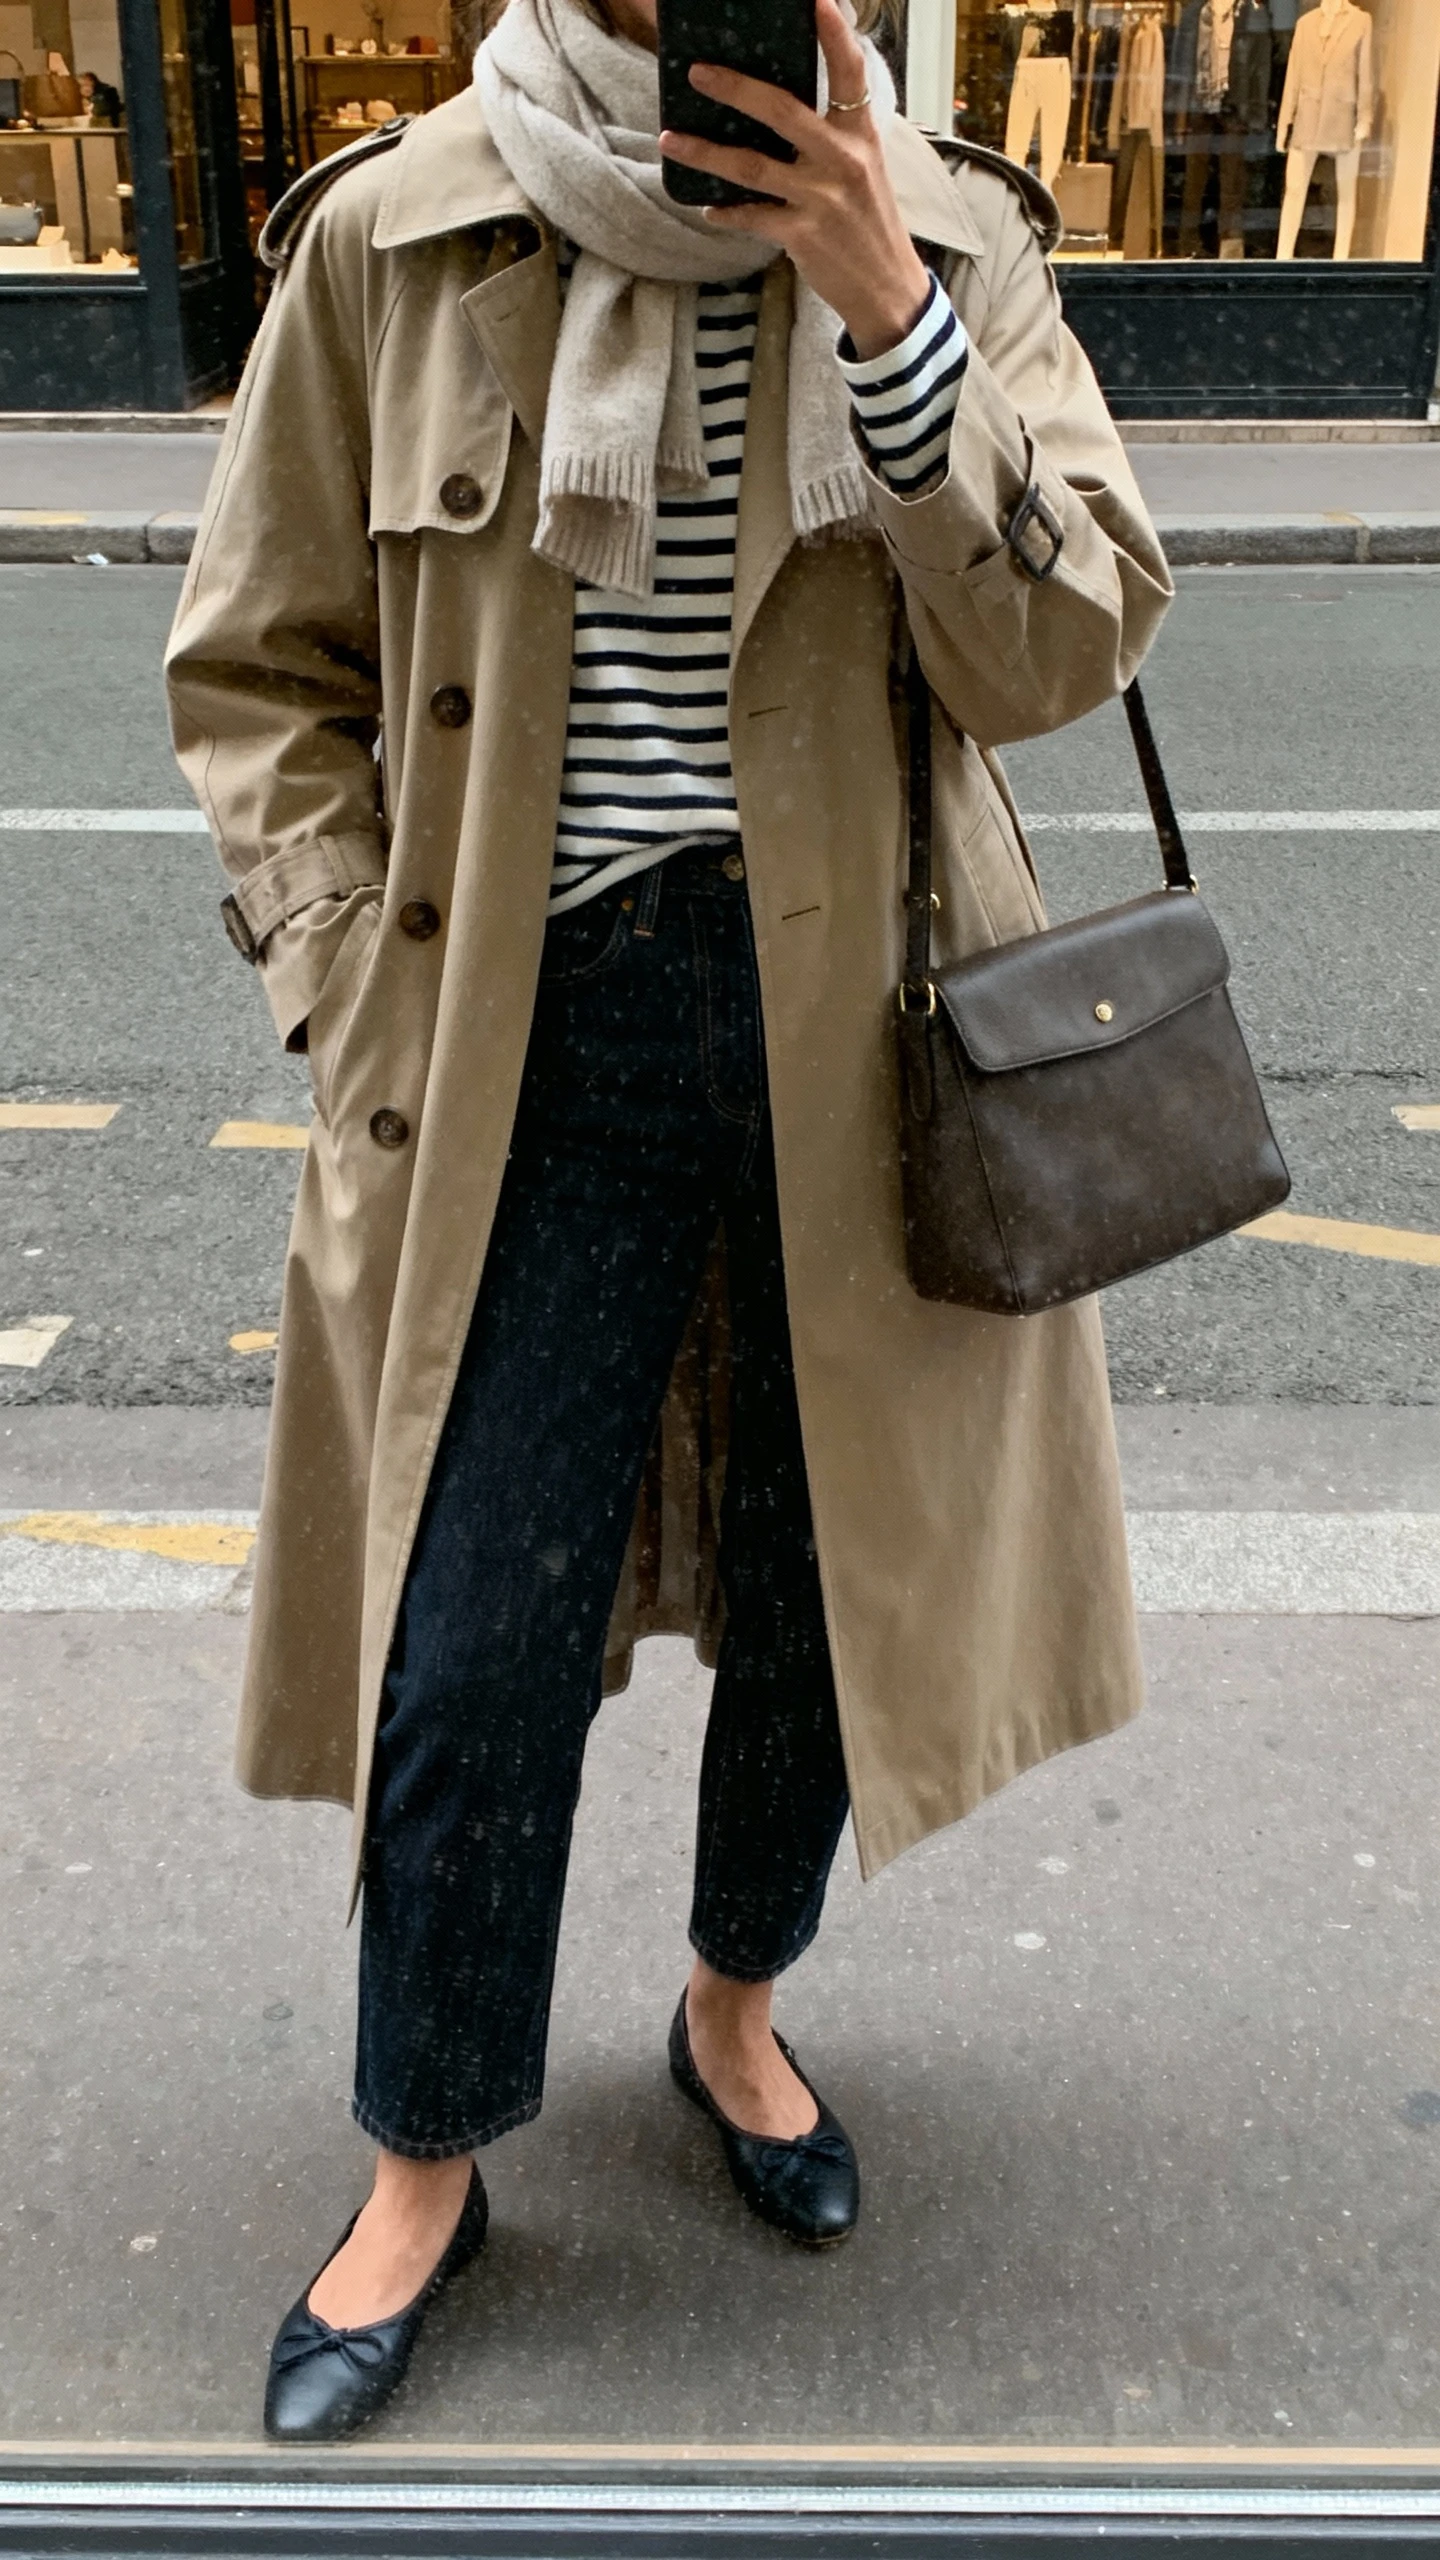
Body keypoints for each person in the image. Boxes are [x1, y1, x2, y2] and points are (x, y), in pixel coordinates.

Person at [165, 0, 1172, 2443]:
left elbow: (1061, 642)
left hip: (871, 1047)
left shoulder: (947, 233)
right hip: (527, 1053)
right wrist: (348, 1004)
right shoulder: (399, 238)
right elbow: (257, 668)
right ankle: (427, 2149)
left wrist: (894, 324)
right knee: (472, 1631)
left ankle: (734, 2009)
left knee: (832, 1593)